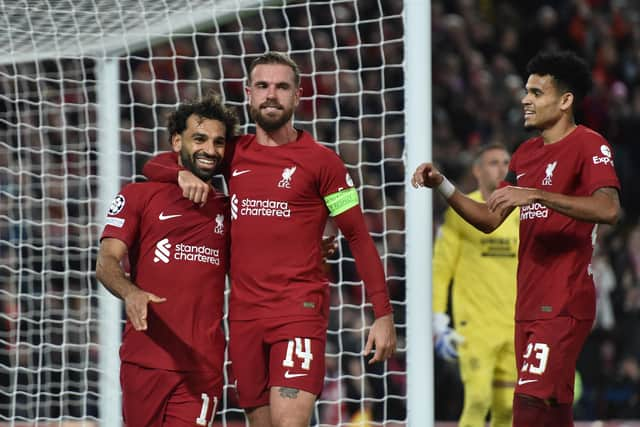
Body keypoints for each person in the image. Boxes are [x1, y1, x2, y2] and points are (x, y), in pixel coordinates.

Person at [143, 52, 397, 427]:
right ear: (248, 94)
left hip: (298, 314)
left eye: (282, 87)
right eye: (262, 86)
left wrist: (383, 314)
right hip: (245, 319)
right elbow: (155, 164)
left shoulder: (324, 163)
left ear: (298, 96)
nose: (271, 95)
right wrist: (180, 174)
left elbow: (358, 236)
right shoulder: (232, 153)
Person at [413, 50, 621, 426]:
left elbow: (608, 209)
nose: (525, 99)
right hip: (527, 304)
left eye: (537, 93)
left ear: (565, 100)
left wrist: (537, 195)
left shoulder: (589, 144)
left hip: (564, 300)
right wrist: (442, 184)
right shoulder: (525, 155)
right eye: (526, 91)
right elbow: (490, 219)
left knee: (526, 405)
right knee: (554, 412)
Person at [96, 94, 239, 426]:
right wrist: (130, 293)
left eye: (219, 142)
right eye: (199, 138)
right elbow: (106, 261)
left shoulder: (228, 209)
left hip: (202, 366)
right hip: (145, 359)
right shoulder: (138, 195)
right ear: (177, 141)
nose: (210, 149)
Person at [432, 143, 518, 427]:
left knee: (508, 407)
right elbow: (442, 269)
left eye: (506, 162)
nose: (502, 168)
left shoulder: (519, 215)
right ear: (477, 170)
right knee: (478, 399)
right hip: (476, 326)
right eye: (493, 162)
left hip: (513, 325)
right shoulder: (461, 211)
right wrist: (438, 318)